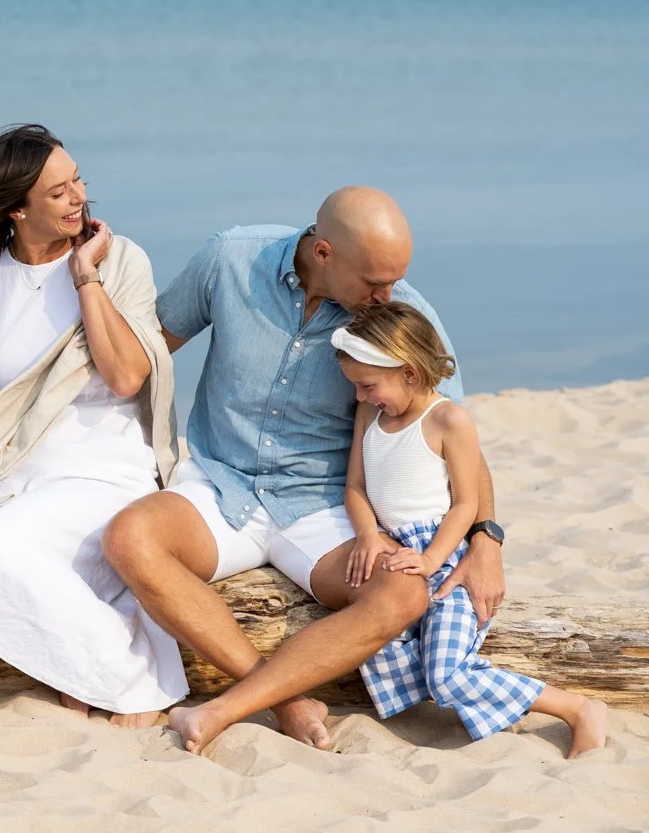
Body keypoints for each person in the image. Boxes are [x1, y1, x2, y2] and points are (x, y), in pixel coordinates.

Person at [101, 187, 508, 754]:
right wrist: (86, 283)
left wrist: (486, 541)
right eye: (373, 283)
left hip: (326, 506)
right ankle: (283, 700)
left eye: (393, 279)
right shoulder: (229, 260)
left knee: (404, 596)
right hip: (221, 484)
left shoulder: (401, 313)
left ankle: (225, 708)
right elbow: (145, 352)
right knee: (129, 537)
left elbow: (454, 431)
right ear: (323, 253)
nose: (387, 295)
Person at [0, 126, 187, 723]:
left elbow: (126, 376)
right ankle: (84, 669)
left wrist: (85, 276)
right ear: (17, 208)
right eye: (58, 191)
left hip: (103, 466)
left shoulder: (120, 262)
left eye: (77, 180)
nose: (78, 197)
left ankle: (134, 682)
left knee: (2, 548)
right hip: (11, 470)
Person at [335, 304, 605, 755]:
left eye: (368, 385)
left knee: (446, 674)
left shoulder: (449, 420)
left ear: (409, 372)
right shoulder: (370, 417)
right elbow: (355, 487)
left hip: (445, 560)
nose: (361, 397)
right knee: (381, 647)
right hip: (394, 553)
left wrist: (431, 560)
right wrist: (367, 534)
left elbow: (466, 504)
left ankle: (576, 708)